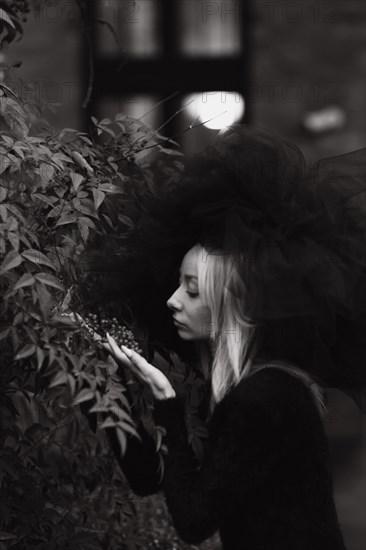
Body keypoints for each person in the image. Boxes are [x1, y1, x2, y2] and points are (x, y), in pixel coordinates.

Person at [85, 125, 366, 549]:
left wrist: (166, 403)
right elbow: (150, 478)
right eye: (178, 285)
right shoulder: (230, 385)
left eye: (193, 290)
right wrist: (103, 388)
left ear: (230, 303)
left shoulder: (266, 397)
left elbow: (195, 521)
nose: (173, 301)